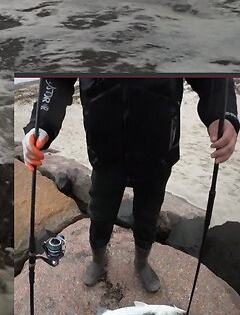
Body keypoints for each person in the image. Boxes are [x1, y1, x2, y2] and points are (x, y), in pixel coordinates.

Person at [22, 77, 238, 292]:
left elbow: (208, 70)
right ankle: (98, 258)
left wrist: (223, 112)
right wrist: (42, 124)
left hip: (158, 147)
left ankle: (141, 262)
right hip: (104, 150)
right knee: (100, 212)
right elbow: (58, 75)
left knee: (148, 214)